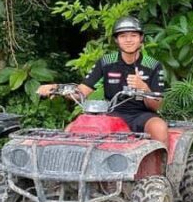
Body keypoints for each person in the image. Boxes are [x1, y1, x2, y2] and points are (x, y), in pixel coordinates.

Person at [37, 16, 169, 144]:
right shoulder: (106, 62)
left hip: (142, 115)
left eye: (133, 35)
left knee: (159, 128)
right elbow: (82, 91)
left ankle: (166, 166)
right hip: (111, 115)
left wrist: (143, 87)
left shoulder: (153, 65)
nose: (128, 40)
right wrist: (57, 88)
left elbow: (157, 105)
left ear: (141, 38)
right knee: (71, 129)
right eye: (123, 36)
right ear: (116, 40)